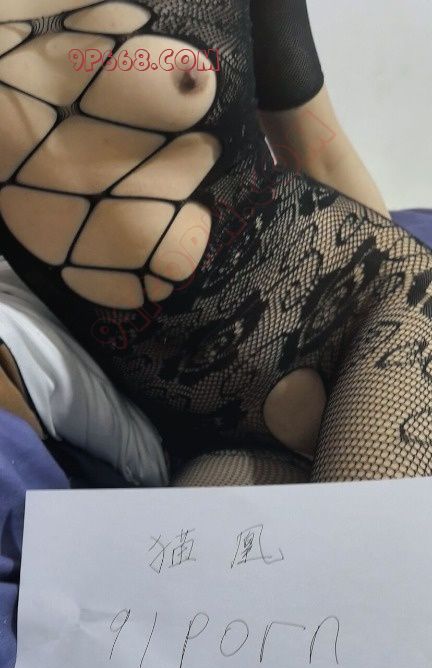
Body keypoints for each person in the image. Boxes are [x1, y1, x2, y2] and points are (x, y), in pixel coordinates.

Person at [0, 0, 431, 488]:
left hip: (367, 308)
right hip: (207, 425)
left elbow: (322, 154)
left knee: (361, 535)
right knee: (216, 540)